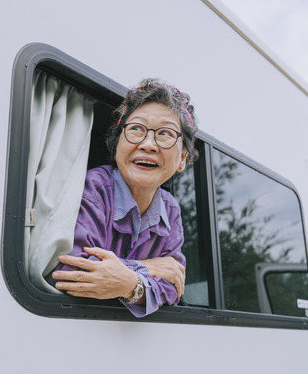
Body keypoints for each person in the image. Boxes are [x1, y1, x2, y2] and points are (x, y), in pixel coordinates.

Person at [45, 78, 199, 317]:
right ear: (116, 148)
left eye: (166, 133)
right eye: (136, 129)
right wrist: (147, 269)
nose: (148, 144)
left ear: (182, 160)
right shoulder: (92, 188)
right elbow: (69, 271)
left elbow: (173, 287)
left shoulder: (171, 210)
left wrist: (131, 284)